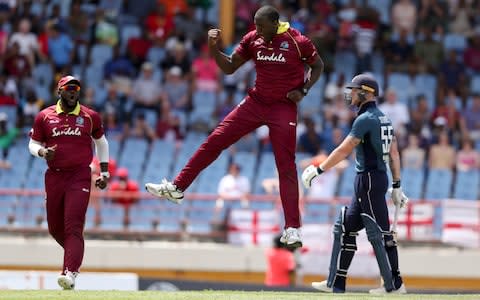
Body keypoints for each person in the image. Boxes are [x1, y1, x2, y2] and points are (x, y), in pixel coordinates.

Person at [146, 5, 324, 248]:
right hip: (256, 102)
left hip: (283, 107)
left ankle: (292, 228)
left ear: (275, 23)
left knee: (285, 165)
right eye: (255, 25)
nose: (257, 30)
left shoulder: (297, 40)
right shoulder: (253, 38)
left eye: (262, 26)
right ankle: (177, 188)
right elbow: (229, 67)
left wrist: (303, 89)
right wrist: (213, 48)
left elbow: (319, 66)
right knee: (215, 139)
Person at [301, 74, 409, 294]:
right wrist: (396, 184)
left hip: (368, 180)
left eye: (354, 90)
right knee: (346, 227)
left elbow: (344, 149)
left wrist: (319, 169)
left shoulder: (365, 119)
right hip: (375, 179)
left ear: (365, 92)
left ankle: (394, 285)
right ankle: (336, 283)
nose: (350, 94)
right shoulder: (384, 118)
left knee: (381, 233)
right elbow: (395, 153)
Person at [28, 76, 110, 290]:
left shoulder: (90, 116)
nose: (73, 92)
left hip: (79, 175)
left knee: (73, 225)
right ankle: (75, 253)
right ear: (60, 91)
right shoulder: (44, 116)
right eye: (68, 88)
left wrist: (104, 172)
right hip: (54, 176)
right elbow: (33, 143)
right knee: (55, 228)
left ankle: (70, 272)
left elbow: (102, 142)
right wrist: (42, 152)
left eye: (76, 88)